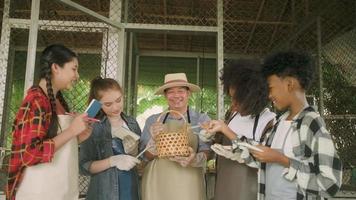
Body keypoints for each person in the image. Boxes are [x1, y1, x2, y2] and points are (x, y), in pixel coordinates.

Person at [244, 51, 342, 199]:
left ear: (289, 84)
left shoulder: (311, 123)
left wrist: (282, 159)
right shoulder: (279, 122)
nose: (269, 95)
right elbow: (264, 161)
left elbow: (331, 184)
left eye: (270, 88)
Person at [6, 44, 91, 200]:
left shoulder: (57, 100)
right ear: (56, 68)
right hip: (39, 191)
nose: (77, 75)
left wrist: (78, 136)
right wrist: (71, 131)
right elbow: (30, 154)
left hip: (60, 189)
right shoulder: (36, 101)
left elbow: (57, 142)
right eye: (74, 69)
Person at [205, 60, 276, 200]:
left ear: (254, 98)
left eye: (238, 100)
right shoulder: (232, 115)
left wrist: (227, 131)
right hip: (224, 183)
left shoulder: (269, 121)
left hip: (249, 188)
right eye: (231, 99)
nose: (233, 105)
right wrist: (211, 134)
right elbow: (219, 142)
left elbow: (266, 161)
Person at [140, 73, 210, 200]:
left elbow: (207, 151)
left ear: (189, 93)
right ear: (165, 95)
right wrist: (154, 140)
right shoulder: (154, 120)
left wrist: (194, 159)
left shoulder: (201, 119)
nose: (176, 95)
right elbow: (145, 157)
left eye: (181, 91)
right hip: (158, 182)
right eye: (171, 92)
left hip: (190, 183)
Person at [79, 77, 141, 200]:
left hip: (131, 190)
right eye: (108, 104)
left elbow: (141, 164)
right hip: (104, 193)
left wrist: (135, 153)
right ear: (98, 104)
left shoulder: (132, 123)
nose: (115, 107)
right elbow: (84, 167)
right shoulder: (92, 127)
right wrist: (112, 161)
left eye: (118, 100)